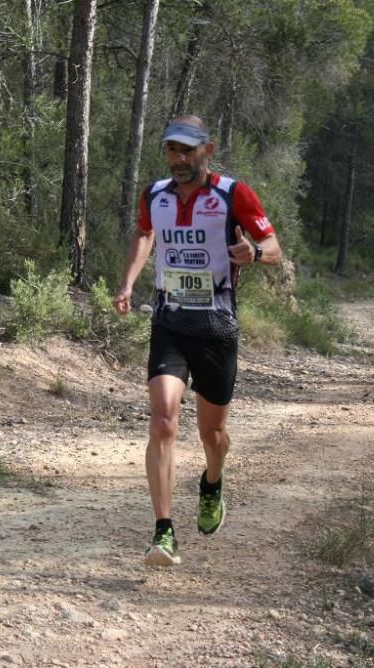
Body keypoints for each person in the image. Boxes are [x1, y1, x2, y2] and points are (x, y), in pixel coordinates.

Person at [115, 115, 284, 566]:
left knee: (213, 434)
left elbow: (274, 248)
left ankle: (212, 483)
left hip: (216, 327)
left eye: (188, 150)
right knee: (163, 422)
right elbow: (145, 234)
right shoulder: (155, 194)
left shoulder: (233, 194)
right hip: (170, 321)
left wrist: (256, 252)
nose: (179, 159)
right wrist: (129, 283)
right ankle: (163, 532)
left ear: (207, 150)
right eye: (172, 150)